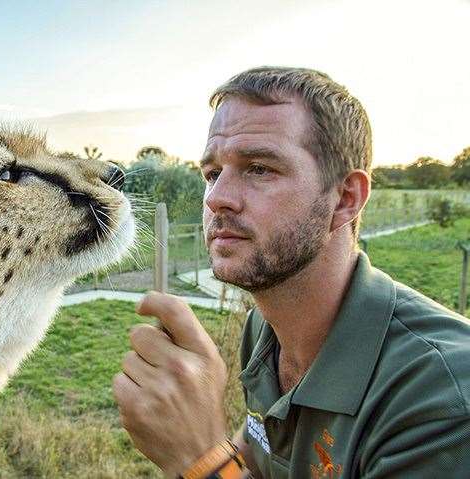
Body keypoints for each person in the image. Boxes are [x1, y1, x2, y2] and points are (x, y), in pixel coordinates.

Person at [112, 66, 470, 478]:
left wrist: (204, 461)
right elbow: (258, 458)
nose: (217, 199)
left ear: (345, 199)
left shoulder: (444, 400)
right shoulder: (264, 330)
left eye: (259, 168)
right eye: (213, 174)